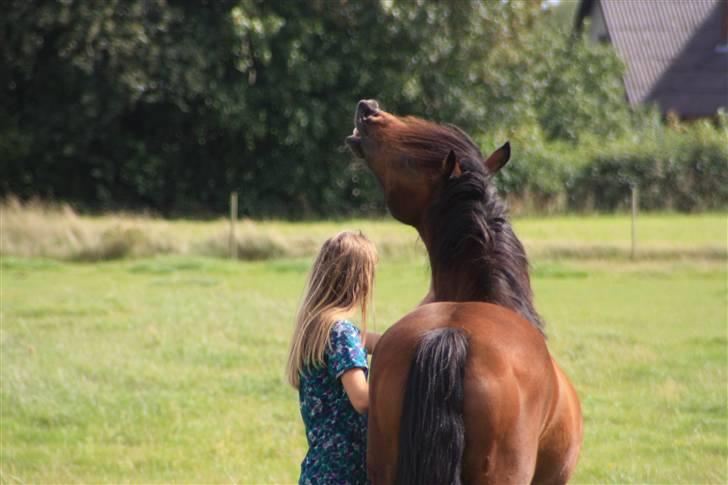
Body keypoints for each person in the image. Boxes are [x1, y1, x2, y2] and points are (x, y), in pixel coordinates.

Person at [285, 231, 381, 485]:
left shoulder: (316, 327)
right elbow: (361, 399)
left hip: (318, 472)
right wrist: (408, 393)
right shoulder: (340, 332)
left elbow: (386, 342)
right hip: (344, 475)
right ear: (359, 281)